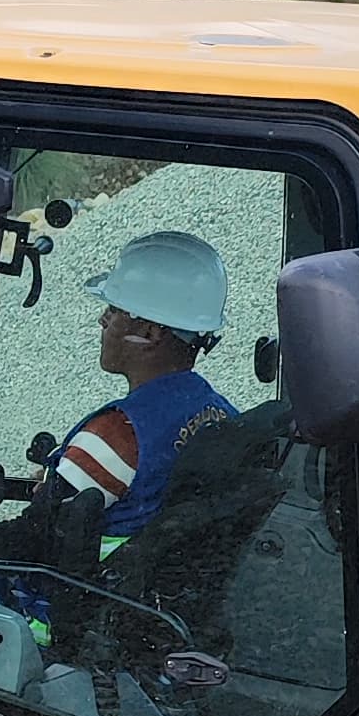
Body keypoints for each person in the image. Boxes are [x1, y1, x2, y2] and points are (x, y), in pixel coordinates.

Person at [52, 231, 235, 547]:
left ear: (149, 333)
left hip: (70, 592)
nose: (102, 320)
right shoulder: (220, 413)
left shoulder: (116, 435)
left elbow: (35, 532)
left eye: (114, 310)